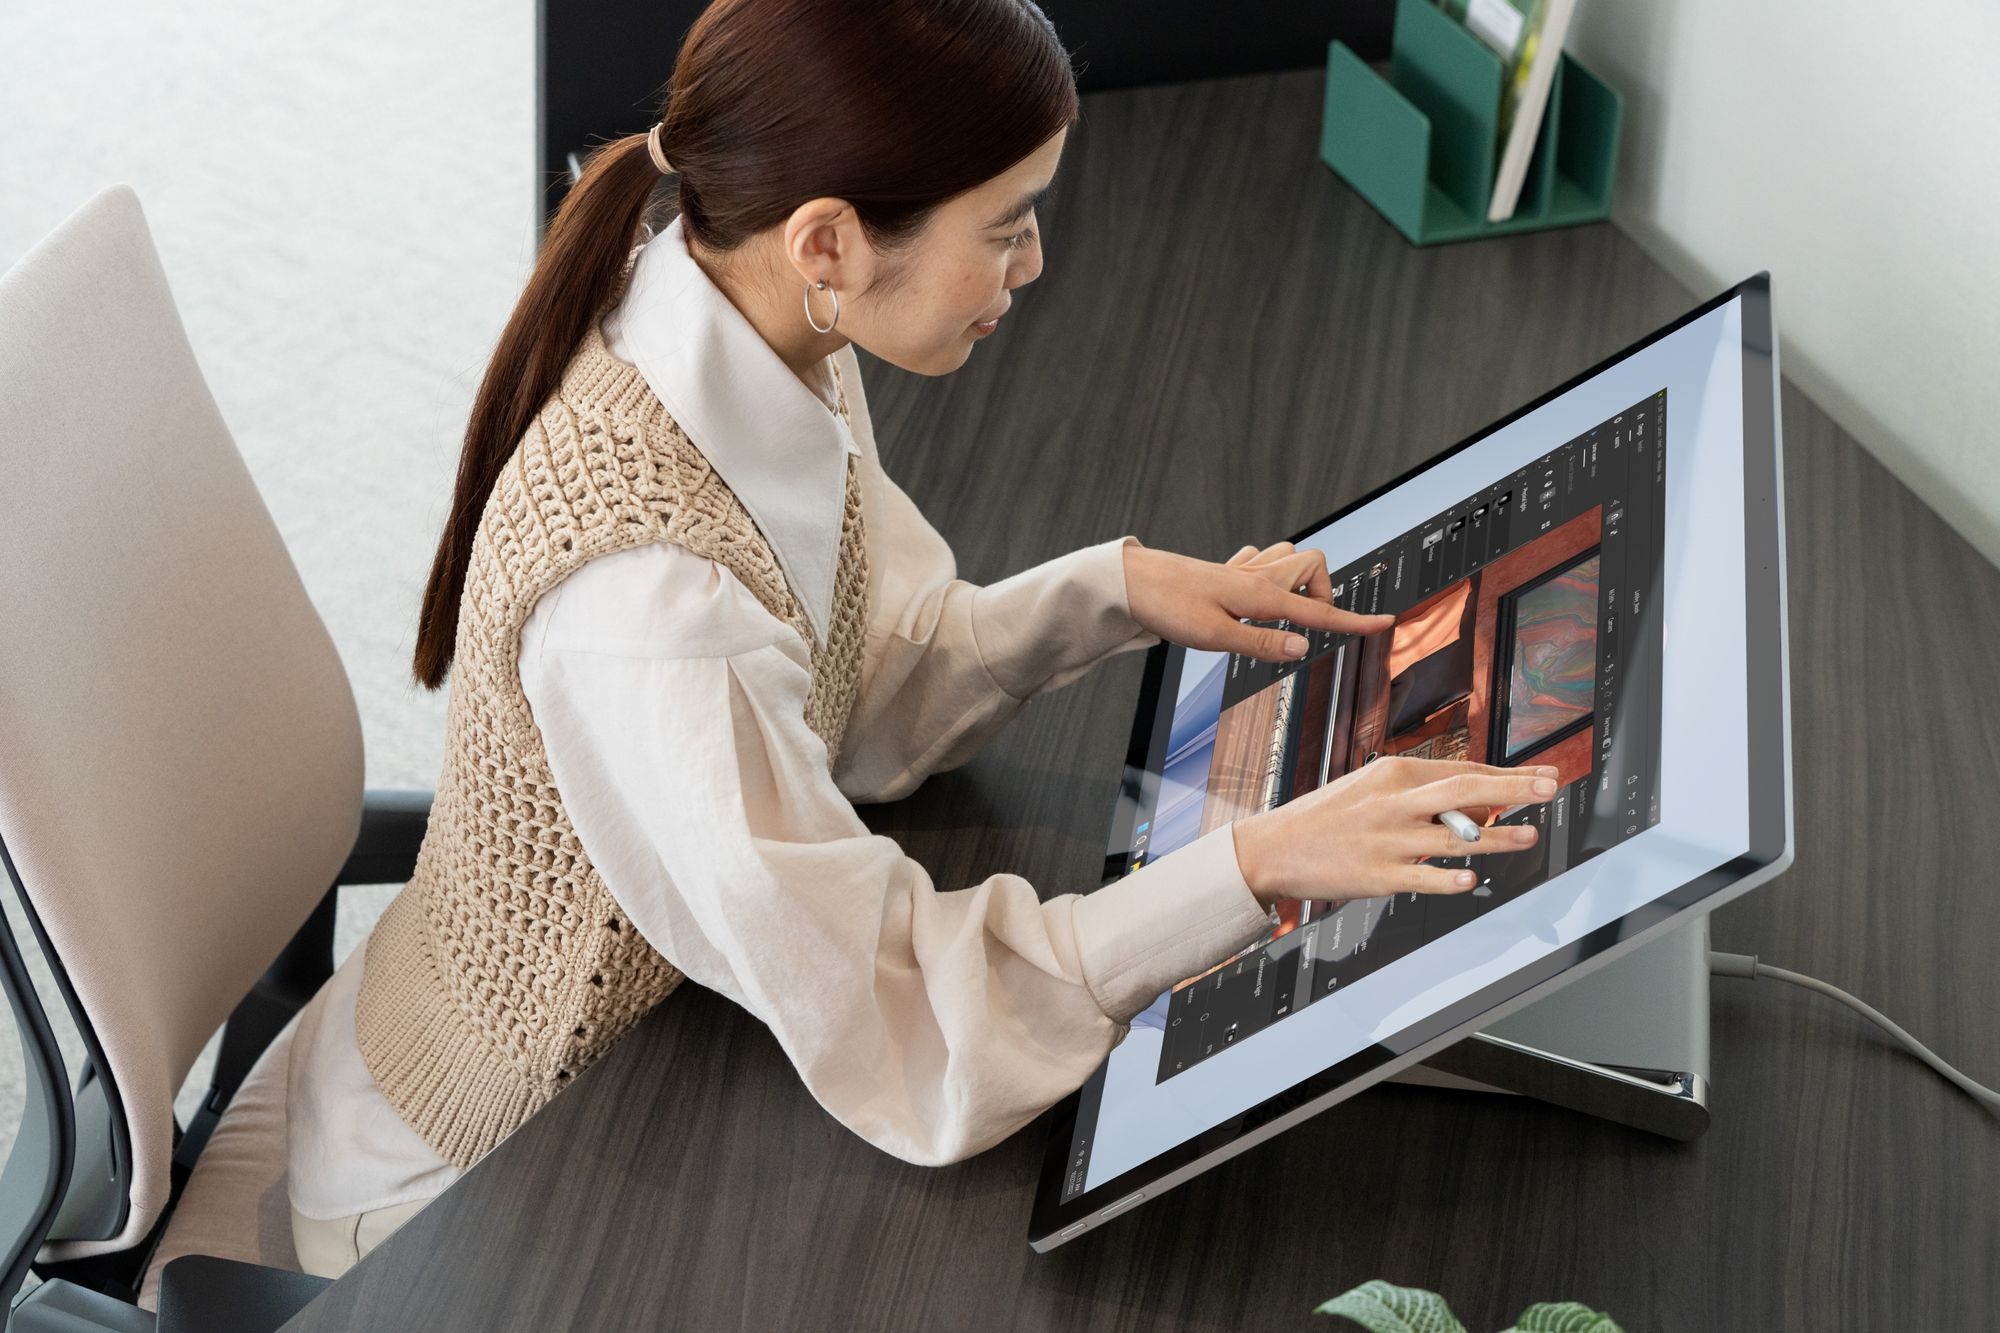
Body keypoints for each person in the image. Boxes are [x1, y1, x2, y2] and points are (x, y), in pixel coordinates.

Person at [281, 0, 1557, 1279]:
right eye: (1005, 225)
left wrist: (1110, 594)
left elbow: (853, 683)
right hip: (480, 1174)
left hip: (661, 1048)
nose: (1035, 260)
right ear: (829, 242)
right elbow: (902, 1019)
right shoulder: (652, 604)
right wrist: (1260, 864)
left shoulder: (758, 313)